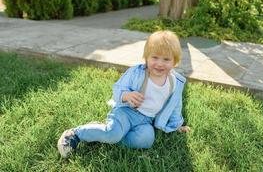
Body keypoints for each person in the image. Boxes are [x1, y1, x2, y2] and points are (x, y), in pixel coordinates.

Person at [57, 30, 191, 158]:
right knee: (113, 134)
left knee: (146, 140)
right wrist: (127, 95)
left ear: (175, 61)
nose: (160, 63)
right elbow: (118, 89)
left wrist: (176, 125)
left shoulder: (174, 82)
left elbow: (175, 106)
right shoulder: (137, 73)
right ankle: (76, 134)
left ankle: (108, 135)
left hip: (146, 120)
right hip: (126, 112)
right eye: (155, 57)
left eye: (166, 59)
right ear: (146, 58)